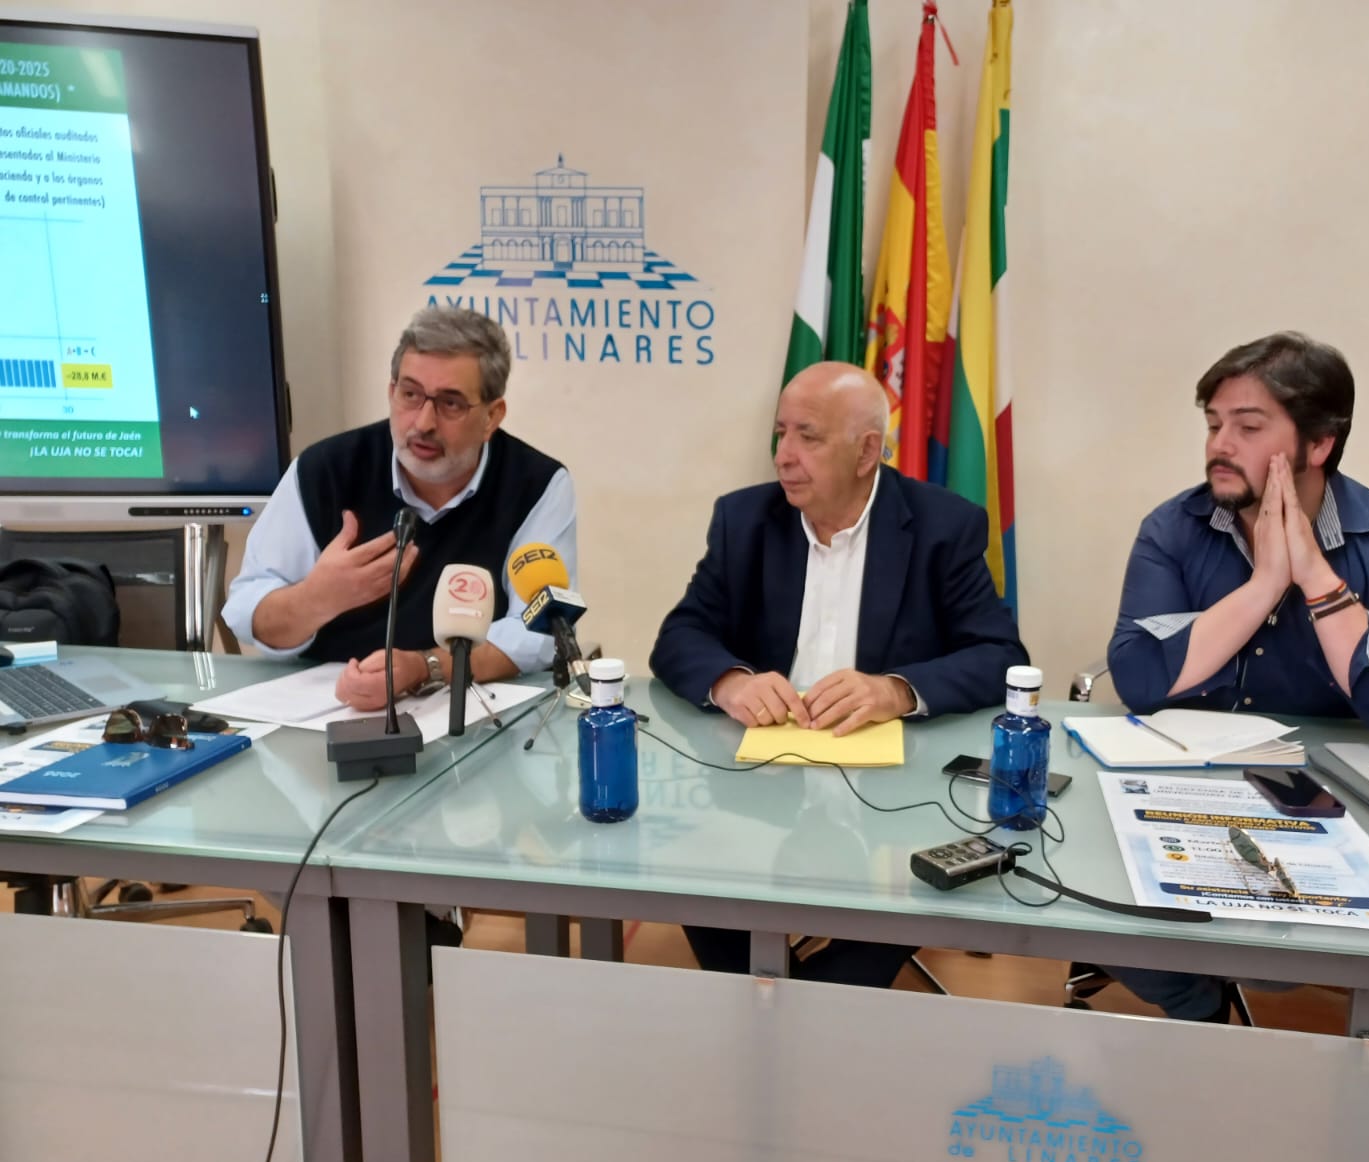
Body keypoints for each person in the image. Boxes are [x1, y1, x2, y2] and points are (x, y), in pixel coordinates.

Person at [1102, 330, 1369, 1021]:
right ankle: (1198, 1005)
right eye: (1213, 424)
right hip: (1183, 780)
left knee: (1307, 956)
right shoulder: (1172, 529)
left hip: (1323, 795)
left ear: (1317, 445)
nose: (1218, 444)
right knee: (1098, 908)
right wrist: (1263, 585)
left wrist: (1316, 579)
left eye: (1248, 425)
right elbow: (1139, 679)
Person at [650, 360, 1028, 987]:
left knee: (864, 948)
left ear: (867, 452)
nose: (784, 456)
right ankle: (765, 1004)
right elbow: (681, 636)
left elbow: (999, 654)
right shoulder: (744, 521)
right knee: (698, 884)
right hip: (760, 782)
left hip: (891, 794)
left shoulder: (942, 527)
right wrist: (734, 682)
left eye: (808, 436)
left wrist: (895, 690)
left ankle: (815, 1012)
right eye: (780, 434)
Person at [223, 307, 578, 706]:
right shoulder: (325, 470)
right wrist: (317, 599)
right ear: (392, 392)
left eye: (450, 404)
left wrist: (423, 667)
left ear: (492, 416)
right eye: (410, 394)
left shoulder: (536, 484)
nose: (423, 422)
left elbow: (538, 632)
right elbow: (246, 613)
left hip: (473, 714)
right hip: (328, 711)